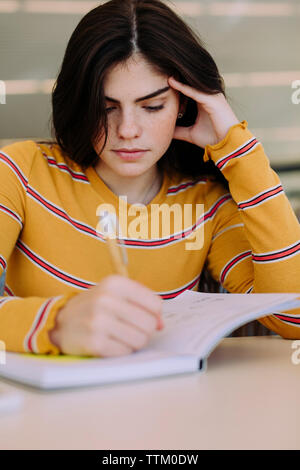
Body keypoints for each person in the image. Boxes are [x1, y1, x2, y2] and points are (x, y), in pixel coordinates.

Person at [0, 0, 299, 358]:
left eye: (152, 106)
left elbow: (291, 318)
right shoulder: (21, 172)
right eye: (105, 107)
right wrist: (58, 325)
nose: (127, 130)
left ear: (184, 105)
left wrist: (238, 149)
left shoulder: (207, 205)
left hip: (166, 408)